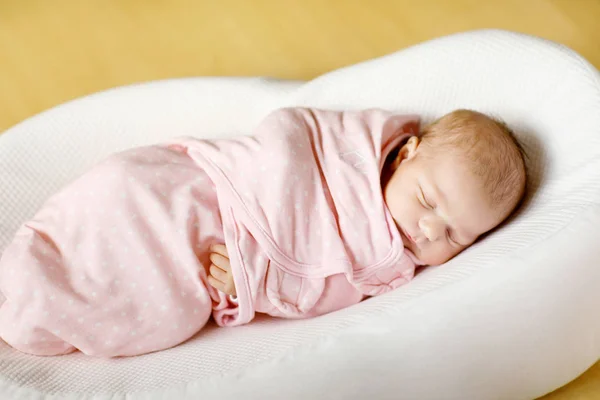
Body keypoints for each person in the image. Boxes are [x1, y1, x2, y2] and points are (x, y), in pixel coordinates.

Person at [0, 108, 526, 357]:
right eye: (428, 200)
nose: (429, 229)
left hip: (218, 254)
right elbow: (288, 139)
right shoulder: (349, 144)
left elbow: (318, 292)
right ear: (408, 153)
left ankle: (35, 301)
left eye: (456, 235)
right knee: (124, 191)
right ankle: (36, 261)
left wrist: (250, 281)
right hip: (210, 186)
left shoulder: (383, 263)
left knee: (156, 290)